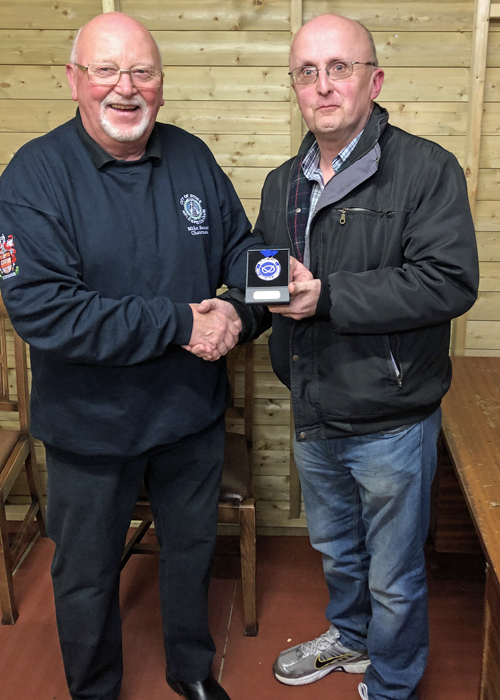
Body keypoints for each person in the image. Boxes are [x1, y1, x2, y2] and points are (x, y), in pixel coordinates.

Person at [0, 12, 265, 700]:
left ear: (161, 85)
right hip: (90, 428)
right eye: (105, 71)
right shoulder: (33, 175)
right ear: (73, 81)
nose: (126, 88)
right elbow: (45, 310)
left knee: (191, 554)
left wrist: (245, 304)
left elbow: (239, 247)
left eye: (141, 71)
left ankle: (191, 671)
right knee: (85, 575)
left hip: (189, 416)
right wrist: (181, 321)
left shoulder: (190, 156)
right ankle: (94, 690)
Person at [251, 13, 479, 700]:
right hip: (314, 404)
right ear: (295, 85)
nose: (323, 86)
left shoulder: (426, 169)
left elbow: (449, 281)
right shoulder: (282, 182)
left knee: (395, 573)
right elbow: (264, 275)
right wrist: (227, 311)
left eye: (339, 68)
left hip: (392, 417)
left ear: (373, 80)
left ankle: (394, 683)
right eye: (307, 72)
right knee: (338, 552)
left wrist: (327, 297)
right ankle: (350, 637)